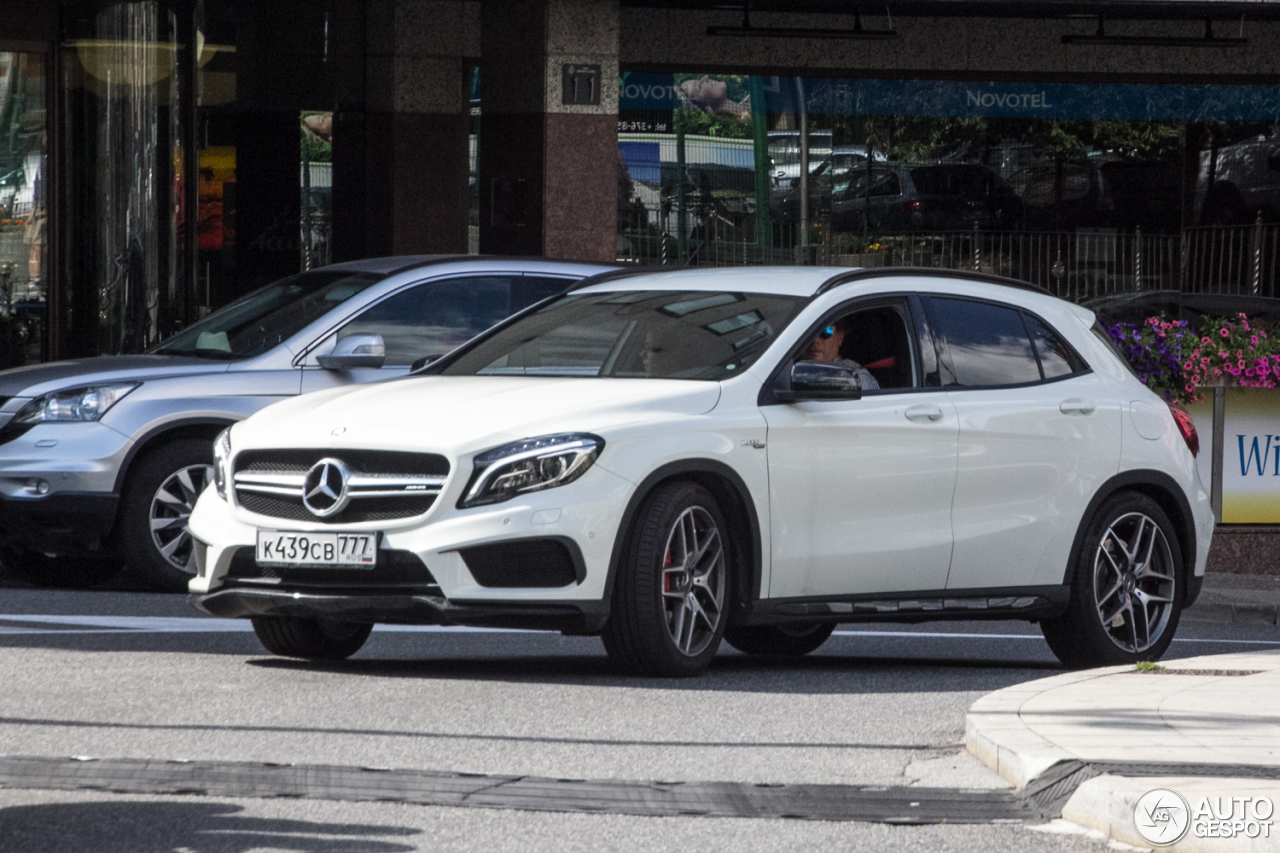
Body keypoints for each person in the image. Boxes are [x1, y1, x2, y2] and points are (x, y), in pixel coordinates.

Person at [801, 320, 880, 390]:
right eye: (808, 333)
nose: (815, 340)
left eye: (825, 332)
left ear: (839, 338)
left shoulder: (855, 376)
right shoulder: (789, 368)